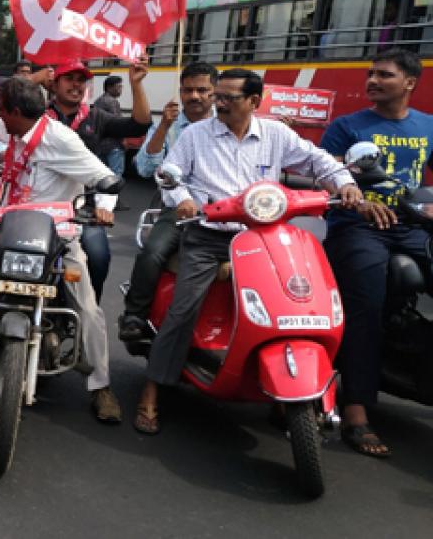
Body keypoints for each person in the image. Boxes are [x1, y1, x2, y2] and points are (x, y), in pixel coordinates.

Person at [133, 69, 361, 434]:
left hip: (263, 235)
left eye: (228, 98)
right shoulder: (195, 135)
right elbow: (168, 173)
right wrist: (185, 200)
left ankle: (284, 381)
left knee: (296, 299)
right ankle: (153, 388)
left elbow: (318, 161)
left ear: (254, 101)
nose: (218, 104)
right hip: (208, 235)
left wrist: (345, 184)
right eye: (217, 97)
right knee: (184, 308)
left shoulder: (276, 133)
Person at [0, 76, 123, 422]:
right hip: (9, 231)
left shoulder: (61, 139)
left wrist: (105, 204)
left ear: (16, 112)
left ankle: (100, 386)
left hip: (58, 238)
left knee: (88, 307)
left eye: (3, 111)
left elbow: (103, 175)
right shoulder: (14, 131)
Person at [319, 49, 431, 457]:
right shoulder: (347, 126)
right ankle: (356, 409)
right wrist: (354, 200)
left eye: (384, 75)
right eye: (371, 74)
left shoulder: (428, 126)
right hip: (358, 227)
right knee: (366, 302)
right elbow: (323, 174)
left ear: (409, 84)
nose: (372, 80)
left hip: (412, 227)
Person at [118, 62, 218, 342]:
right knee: (153, 252)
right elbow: (145, 168)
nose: (195, 96)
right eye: (188, 90)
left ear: (215, 92)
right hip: (179, 208)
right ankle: (135, 315)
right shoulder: (172, 125)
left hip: (224, 212)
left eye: (203, 90)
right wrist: (163, 126)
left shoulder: (227, 123)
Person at [47, 59, 152, 301]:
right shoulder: (39, 116)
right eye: (69, 79)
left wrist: (136, 84)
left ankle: (86, 311)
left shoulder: (96, 117)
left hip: (82, 209)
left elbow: (138, 125)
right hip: (40, 203)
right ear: (53, 84)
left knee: (98, 256)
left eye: (81, 80)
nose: (76, 85)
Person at [93, 76, 126, 176]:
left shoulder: (98, 101)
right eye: (119, 87)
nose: (121, 90)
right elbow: (117, 124)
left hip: (100, 145)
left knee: (102, 176)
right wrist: (123, 141)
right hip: (113, 145)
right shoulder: (112, 101)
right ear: (109, 88)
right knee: (116, 176)